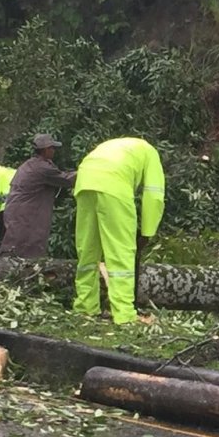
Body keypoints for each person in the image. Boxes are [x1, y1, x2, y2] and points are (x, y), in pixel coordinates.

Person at [72, 138, 165, 325]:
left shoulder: (121, 146)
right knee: (121, 250)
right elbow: (154, 195)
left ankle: (85, 306)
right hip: (114, 183)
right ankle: (124, 314)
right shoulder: (150, 153)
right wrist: (147, 232)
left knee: (88, 248)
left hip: (84, 179)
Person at [0, 134, 76, 258]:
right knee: (25, 245)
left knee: (19, 243)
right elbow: (66, 180)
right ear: (45, 150)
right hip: (26, 213)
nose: (54, 151)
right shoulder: (41, 168)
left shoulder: (31, 164)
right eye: (52, 148)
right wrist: (87, 170)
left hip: (18, 210)